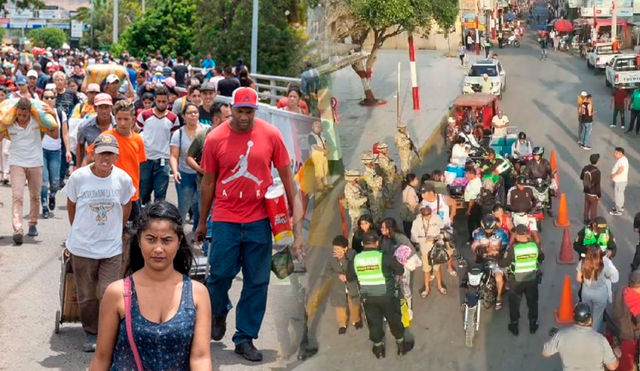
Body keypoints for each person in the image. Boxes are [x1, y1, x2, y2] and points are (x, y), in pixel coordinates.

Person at [194, 87, 304, 362]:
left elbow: (287, 177)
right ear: (231, 108)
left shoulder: (271, 135)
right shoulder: (215, 138)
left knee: (257, 280)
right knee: (219, 275)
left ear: (256, 110)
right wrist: (202, 221)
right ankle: (219, 311)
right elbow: (208, 182)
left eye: (249, 111)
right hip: (225, 219)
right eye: (240, 111)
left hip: (259, 220)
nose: (244, 117)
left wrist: (294, 216)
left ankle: (245, 337)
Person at [90, 201, 212, 370]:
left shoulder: (197, 293)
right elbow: (102, 358)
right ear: (139, 240)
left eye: (167, 240)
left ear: (179, 241)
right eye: (151, 239)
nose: (158, 248)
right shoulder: (118, 293)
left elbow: (200, 358)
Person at [61, 133, 135, 352]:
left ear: (116, 157)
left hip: (111, 247)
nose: (105, 158)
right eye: (102, 153)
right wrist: (78, 230)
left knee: (108, 291)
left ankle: (108, 331)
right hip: (82, 247)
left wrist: (117, 229)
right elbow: (72, 204)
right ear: (93, 153)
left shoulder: (122, 179)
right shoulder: (79, 177)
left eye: (110, 154)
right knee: (86, 294)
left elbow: (126, 205)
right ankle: (92, 332)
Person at [346, 230, 415, 359]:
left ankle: (378, 349)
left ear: (362, 243)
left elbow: (349, 277)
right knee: (394, 320)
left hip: (368, 298)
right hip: (387, 296)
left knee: (374, 322)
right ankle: (401, 347)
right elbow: (399, 269)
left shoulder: (356, 259)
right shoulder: (383, 256)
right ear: (377, 243)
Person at [0, 98, 59, 244]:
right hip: (17, 163)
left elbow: (55, 135)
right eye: (19, 115)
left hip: (35, 163)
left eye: (24, 115)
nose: (21, 118)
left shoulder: (37, 122)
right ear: (16, 113)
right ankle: (18, 229)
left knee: (35, 196)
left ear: (29, 113)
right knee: (17, 196)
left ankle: (32, 224)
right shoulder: (9, 123)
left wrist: (54, 115)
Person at [84, 100, 146, 224]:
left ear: (133, 119)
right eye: (119, 119)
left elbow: (139, 164)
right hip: (109, 193)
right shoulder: (106, 137)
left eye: (126, 119)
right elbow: (89, 159)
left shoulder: (138, 139)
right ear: (115, 118)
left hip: (132, 195)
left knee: (131, 235)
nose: (122, 123)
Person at [542, 302, 619, 371]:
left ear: (574, 319)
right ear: (590, 320)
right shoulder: (601, 340)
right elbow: (612, 367)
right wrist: (616, 354)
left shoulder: (561, 335)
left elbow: (545, 353)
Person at [136, 86, 180, 205]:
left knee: (160, 194)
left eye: (164, 101)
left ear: (168, 101)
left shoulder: (173, 118)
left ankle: (157, 218)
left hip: (163, 159)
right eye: (159, 101)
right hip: (145, 158)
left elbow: (175, 140)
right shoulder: (144, 115)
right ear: (155, 100)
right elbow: (135, 132)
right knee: (144, 192)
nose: (161, 104)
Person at [502, 224, 543, 335]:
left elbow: (504, 263)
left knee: (515, 304)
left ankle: (514, 326)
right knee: (532, 303)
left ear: (518, 236)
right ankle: (533, 326)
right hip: (532, 280)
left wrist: (497, 258)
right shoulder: (534, 246)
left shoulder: (514, 249)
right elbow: (541, 258)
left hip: (516, 281)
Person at [170, 102, 203, 230]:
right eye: (190, 113)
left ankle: (198, 234)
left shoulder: (206, 130)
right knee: (183, 207)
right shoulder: (179, 134)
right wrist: (175, 171)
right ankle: (178, 233)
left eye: (195, 112)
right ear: (184, 116)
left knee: (200, 207)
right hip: (185, 175)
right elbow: (173, 155)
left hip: (202, 175)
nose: (193, 115)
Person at [411, 205, 455, 298]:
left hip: (436, 247)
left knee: (437, 268)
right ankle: (427, 288)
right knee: (426, 270)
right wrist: (424, 239)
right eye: (426, 216)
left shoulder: (436, 218)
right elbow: (413, 237)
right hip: (425, 249)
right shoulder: (417, 222)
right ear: (422, 214)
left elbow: (443, 229)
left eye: (429, 214)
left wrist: (439, 237)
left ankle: (439, 286)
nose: (428, 217)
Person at [40, 89, 71, 219]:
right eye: (46, 98)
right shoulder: (37, 114)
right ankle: (44, 206)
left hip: (55, 151)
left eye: (51, 97)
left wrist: (68, 150)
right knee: (43, 181)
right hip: (41, 150)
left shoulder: (60, 113)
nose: (48, 100)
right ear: (42, 99)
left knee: (55, 182)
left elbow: (64, 133)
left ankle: (52, 195)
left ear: (55, 99)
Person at [471, 215, 509, 310]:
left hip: (496, 260)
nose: (488, 231)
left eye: (490, 229)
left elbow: (505, 247)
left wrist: (497, 252)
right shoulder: (478, 233)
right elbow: (474, 246)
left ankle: (499, 297)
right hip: (481, 259)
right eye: (486, 229)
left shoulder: (502, 234)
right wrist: (484, 249)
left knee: (498, 278)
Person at [607, 270, 640, 371]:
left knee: (613, 358)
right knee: (626, 366)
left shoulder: (620, 290)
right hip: (627, 338)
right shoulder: (636, 302)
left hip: (612, 331)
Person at [329, 235, 362, 335]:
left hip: (351, 284)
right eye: (335, 248)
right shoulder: (331, 257)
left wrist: (342, 259)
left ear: (345, 248)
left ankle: (356, 320)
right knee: (340, 305)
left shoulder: (352, 254)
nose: (336, 251)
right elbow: (328, 271)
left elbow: (353, 268)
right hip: (339, 286)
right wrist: (337, 275)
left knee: (354, 303)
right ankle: (342, 324)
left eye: (339, 249)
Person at [577, 247, 615, 332]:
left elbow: (579, 279)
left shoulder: (582, 263)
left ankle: (585, 331)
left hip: (586, 291)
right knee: (598, 316)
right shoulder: (604, 265)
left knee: (587, 313)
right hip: (600, 293)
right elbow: (609, 276)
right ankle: (593, 333)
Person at [76, 93, 116, 167]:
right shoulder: (85, 126)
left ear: (111, 108)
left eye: (106, 107)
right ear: (95, 108)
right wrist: (78, 167)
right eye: (100, 107)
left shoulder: (118, 125)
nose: (104, 111)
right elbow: (80, 146)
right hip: (93, 166)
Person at [506, 174, 541, 246]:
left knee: (536, 236)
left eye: (523, 185)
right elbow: (507, 204)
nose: (521, 186)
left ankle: (539, 251)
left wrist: (534, 209)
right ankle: (510, 252)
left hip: (529, 215)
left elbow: (537, 201)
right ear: (516, 183)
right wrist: (513, 210)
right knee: (514, 236)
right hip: (516, 216)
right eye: (520, 184)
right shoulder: (511, 191)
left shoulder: (530, 189)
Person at [527, 146, 555, 215]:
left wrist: (552, 178)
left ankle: (549, 207)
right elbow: (526, 171)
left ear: (541, 155)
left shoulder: (545, 162)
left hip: (544, 181)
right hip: (533, 181)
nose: (536, 156)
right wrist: (525, 178)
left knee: (550, 192)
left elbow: (550, 171)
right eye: (535, 155)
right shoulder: (530, 163)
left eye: (537, 155)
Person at [308, 120, 331, 192]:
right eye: (317, 127)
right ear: (313, 127)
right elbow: (315, 147)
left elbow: (325, 142)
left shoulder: (322, 134)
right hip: (316, 155)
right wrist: (324, 151)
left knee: (325, 169)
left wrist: (327, 149)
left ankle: (326, 183)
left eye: (320, 127)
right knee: (319, 171)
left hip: (323, 154)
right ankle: (320, 186)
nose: (319, 128)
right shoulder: (311, 136)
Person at [361, 151, 384, 224]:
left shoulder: (372, 171)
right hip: (373, 195)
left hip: (377, 193)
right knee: (375, 213)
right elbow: (373, 184)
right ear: (368, 163)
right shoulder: (367, 173)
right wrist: (379, 179)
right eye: (372, 162)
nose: (373, 163)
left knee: (380, 211)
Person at [580, 153, 602, 225]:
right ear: (597, 161)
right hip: (593, 194)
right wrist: (599, 195)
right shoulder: (597, 172)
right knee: (594, 208)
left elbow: (581, 177)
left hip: (587, 191)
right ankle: (592, 221)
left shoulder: (586, 168)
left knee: (586, 205)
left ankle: (585, 219)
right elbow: (597, 185)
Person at [376, 142, 397, 208]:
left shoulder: (386, 156)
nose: (387, 150)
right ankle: (388, 203)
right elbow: (387, 167)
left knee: (391, 189)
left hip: (390, 175)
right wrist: (392, 164)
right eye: (385, 149)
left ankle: (390, 200)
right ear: (382, 150)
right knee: (388, 190)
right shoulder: (382, 158)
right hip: (386, 176)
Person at [464, 167, 483, 240]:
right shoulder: (475, 180)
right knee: (478, 220)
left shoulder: (474, 184)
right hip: (476, 203)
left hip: (473, 204)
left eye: (467, 174)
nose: (466, 176)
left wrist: (469, 210)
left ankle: (471, 238)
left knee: (471, 222)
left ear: (472, 174)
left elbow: (472, 198)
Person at [610, 147, 628, 216]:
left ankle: (618, 210)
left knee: (618, 195)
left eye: (616, 153)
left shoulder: (622, 161)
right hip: (622, 181)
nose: (614, 154)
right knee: (620, 194)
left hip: (620, 181)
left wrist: (613, 175)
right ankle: (620, 206)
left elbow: (621, 169)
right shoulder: (623, 159)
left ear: (621, 153)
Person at [400, 173, 419, 238]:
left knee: (407, 230)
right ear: (412, 180)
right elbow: (412, 203)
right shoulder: (410, 190)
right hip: (409, 214)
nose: (417, 181)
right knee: (410, 232)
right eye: (416, 179)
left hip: (405, 213)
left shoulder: (407, 188)